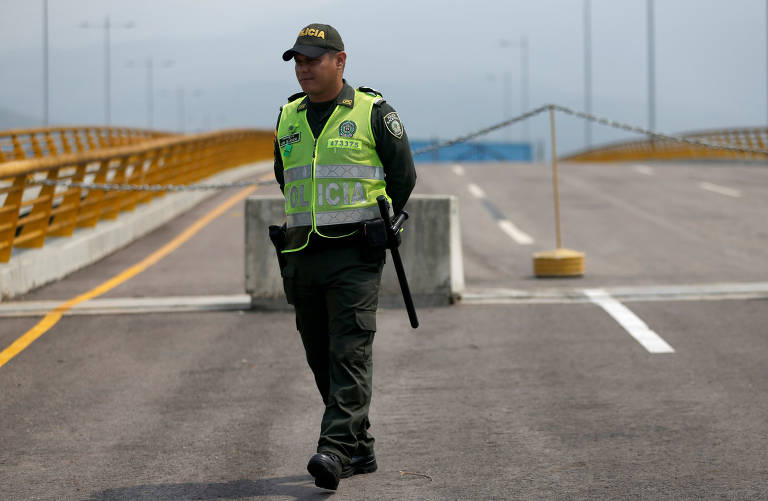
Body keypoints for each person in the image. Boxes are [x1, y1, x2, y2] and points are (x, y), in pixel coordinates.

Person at [273, 23, 417, 490]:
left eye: (313, 59)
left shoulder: (374, 111)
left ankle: (333, 450)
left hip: (355, 253)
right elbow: (286, 177)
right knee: (321, 357)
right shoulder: (288, 116)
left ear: (340, 61)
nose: (303, 68)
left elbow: (402, 177)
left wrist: (375, 224)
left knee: (349, 354)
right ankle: (360, 449)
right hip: (302, 253)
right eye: (298, 60)